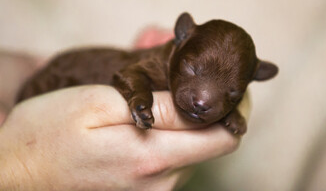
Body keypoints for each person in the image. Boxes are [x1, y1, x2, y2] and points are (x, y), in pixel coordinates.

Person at [0, 30, 249, 191]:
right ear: (180, 39)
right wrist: (23, 170)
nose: (203, 100)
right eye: (192, 69)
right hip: (46, 85)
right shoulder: (152, 65)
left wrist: (228, 111)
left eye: (233, 93)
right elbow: (130, 75)